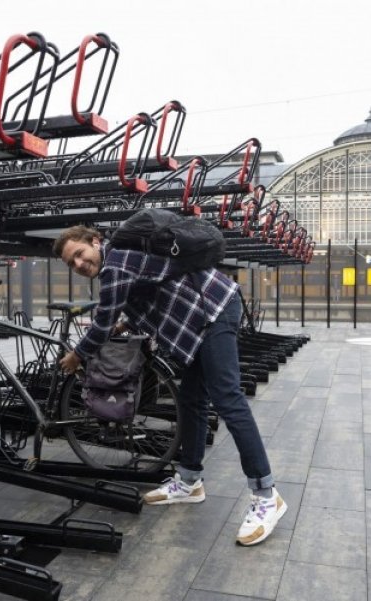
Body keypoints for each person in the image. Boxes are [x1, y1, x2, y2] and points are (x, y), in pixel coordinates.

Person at [52, 224, 286, 546]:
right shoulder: (119, 261)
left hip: (212, 312)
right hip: (198, 322)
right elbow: (149, 293)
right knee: (191, 399)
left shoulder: (114, 263)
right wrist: (127, 321)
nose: (78, 264)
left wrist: (77, 356)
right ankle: (190, 480)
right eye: (70, 263)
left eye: (79, 254)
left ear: (95, 242)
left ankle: (266, 495)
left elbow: (103, 320)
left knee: (228, 399)